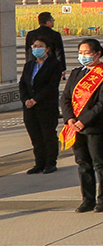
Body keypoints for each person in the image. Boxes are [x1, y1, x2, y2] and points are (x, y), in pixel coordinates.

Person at [62, 39, 103, 212]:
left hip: (95, 127)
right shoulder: (76, 73)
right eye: (81, 52)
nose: (83, 56)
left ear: (97, 54)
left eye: (87, 52)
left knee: (100, 163)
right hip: (75, 128)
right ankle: (88, 199)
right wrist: (69, 119)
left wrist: (83, 120)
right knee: (83, 164)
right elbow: (65, 98)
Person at [20, 33, 64, 174]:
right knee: (35, 137)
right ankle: (39, 163)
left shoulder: (54, 64)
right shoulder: (29, 65)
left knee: (48, 135)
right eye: (34, 46)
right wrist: (26, 99)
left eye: (40, 46)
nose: (36, 49)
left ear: (47, 49)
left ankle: (51, 163)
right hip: (29, 107)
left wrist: (36, 99)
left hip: (46, 106)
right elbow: (22, 84)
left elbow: (51, 86)